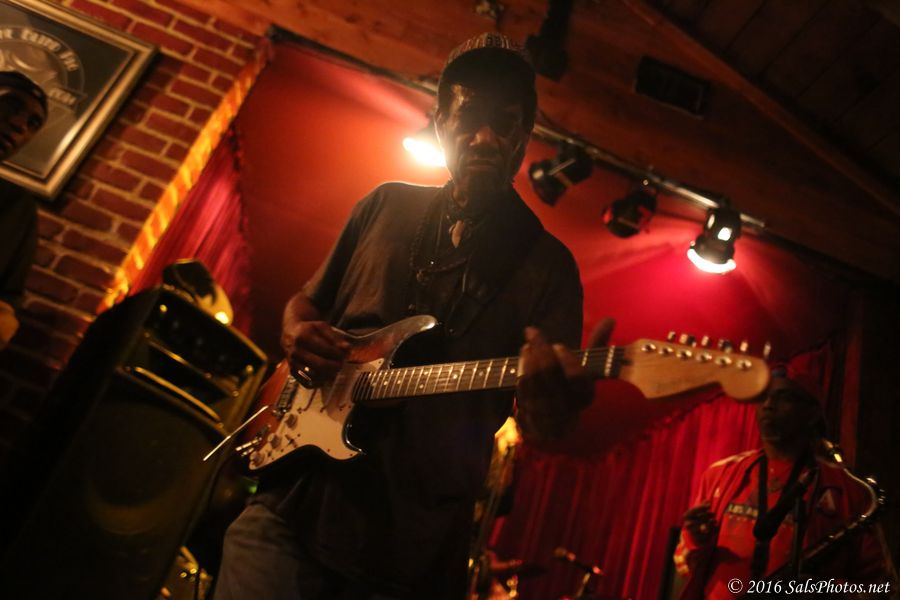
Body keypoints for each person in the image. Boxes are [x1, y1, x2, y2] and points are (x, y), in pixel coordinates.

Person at [216, 33, 612, 599]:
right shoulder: (385, 204)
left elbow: (544, 425)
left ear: (525, 136)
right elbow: (306, 301)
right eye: (468, 118)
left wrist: (553, 406)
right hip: (294, 507)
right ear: (441, 122)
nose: (485, 138)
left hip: (409, 550)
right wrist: (296, 331)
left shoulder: (549, 267)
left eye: (505, 123)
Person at [673, 367, 896, 599]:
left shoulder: (849, 490)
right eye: (763, 397)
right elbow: (683, 564)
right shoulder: (719, 474)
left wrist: (820, 588)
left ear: (812, 413)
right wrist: (696, 541)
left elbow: (883, 588)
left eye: (785, 397)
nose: (768, 405)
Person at [0, 71, 48, 350]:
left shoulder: (17, 208)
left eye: (32, 124)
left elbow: (8, 299)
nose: (19, 125)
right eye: (10, 105)